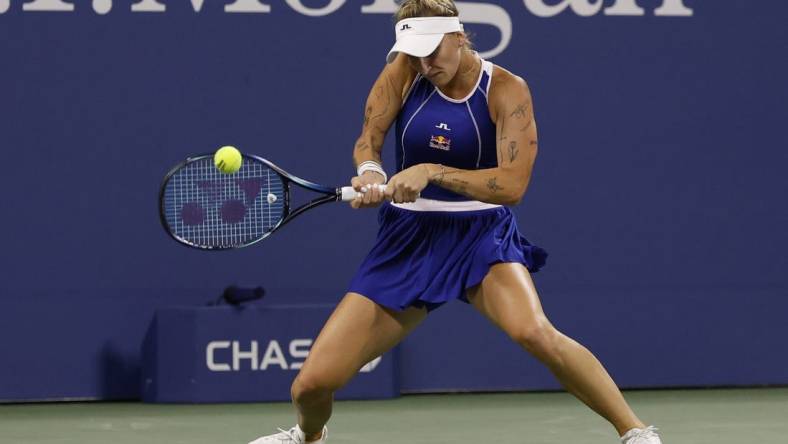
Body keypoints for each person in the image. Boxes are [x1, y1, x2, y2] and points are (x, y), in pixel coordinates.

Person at [249, 1, 662, 443]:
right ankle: (308, 437)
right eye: (415, 51)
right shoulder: (405, 71)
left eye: (433, 50)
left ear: (459, 37)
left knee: (534, 332)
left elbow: (513, 185)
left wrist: (431, 171)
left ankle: (635, 432)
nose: (426, 63)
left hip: (480, 237)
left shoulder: (506, 89)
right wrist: (371, 171)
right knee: (311, 385)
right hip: (407, 240)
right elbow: (368, 140)